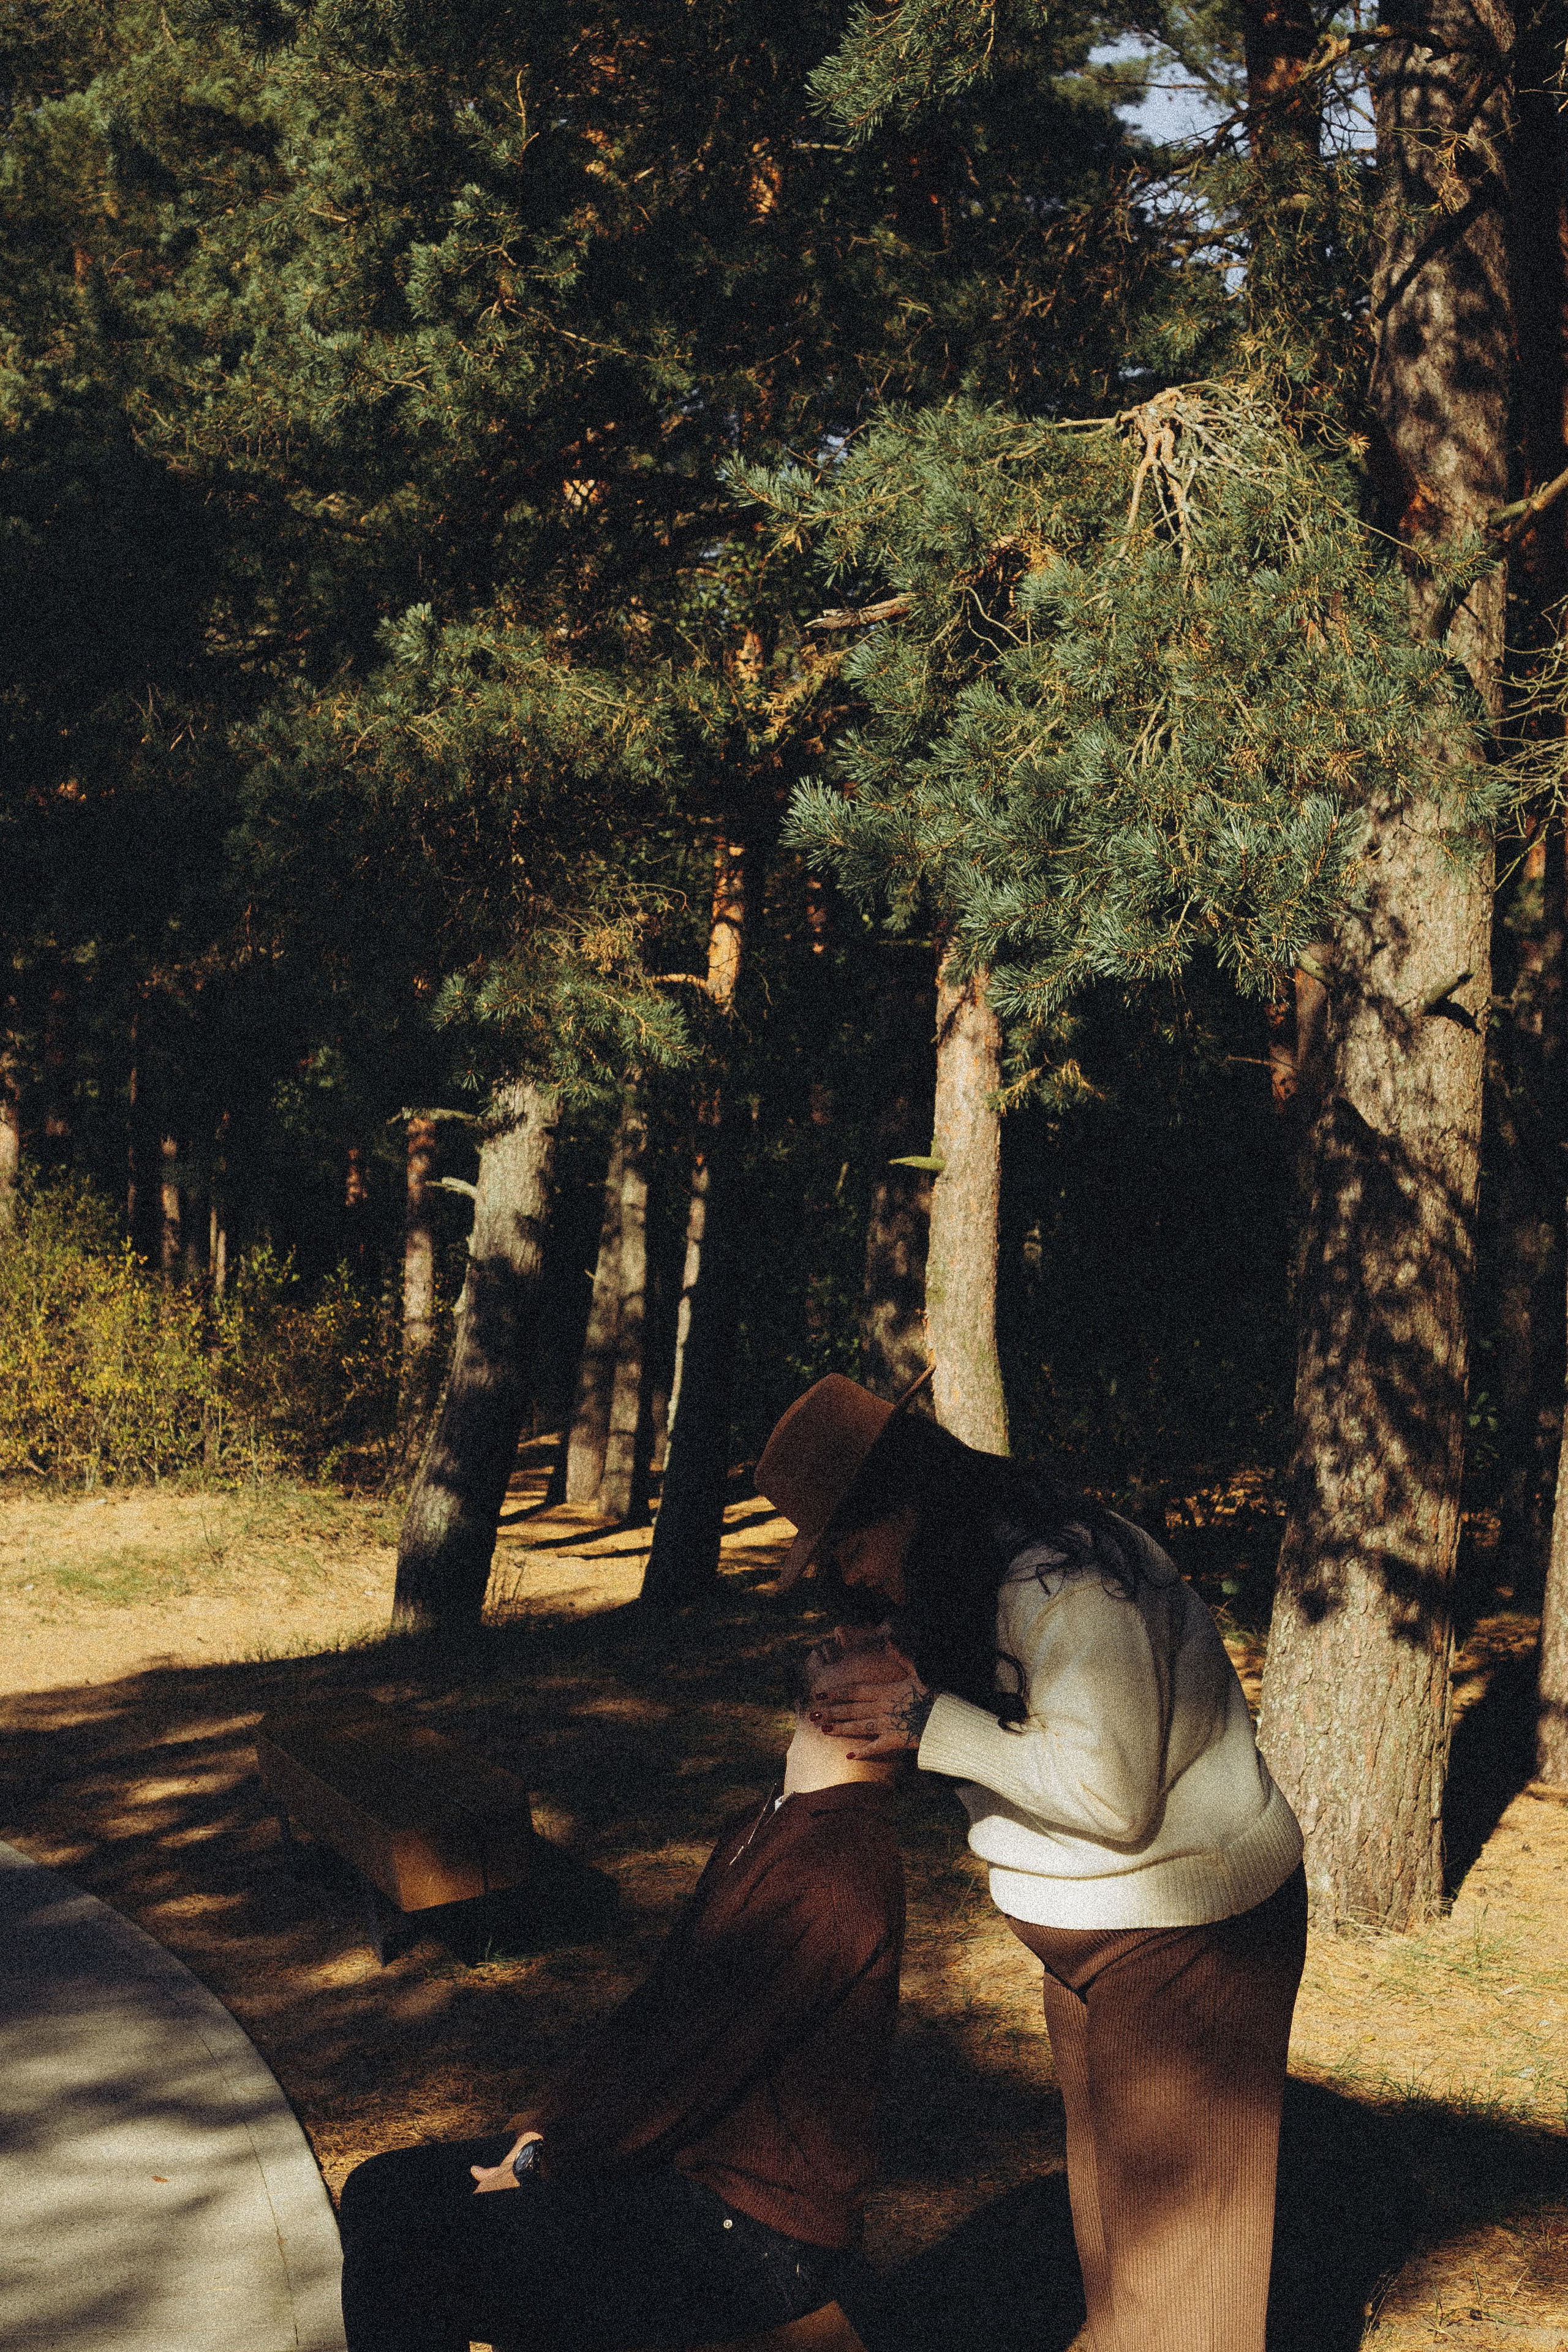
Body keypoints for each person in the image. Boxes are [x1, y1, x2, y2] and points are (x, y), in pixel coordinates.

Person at [755, 1371, 1306, 2352]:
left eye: (852, 1546)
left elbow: (1111, 1795)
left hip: (1190, 1942)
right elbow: (1024, 1749)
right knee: (1119, 2264)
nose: (851, 1576)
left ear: (911, 1507)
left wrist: (930, 1722)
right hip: (1093, 1944)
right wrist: (911, 1679)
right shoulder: (969, 1583)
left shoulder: (1067, 1585)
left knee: (1188, 2298)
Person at [336, 1646, 905, 2352]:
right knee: (384, 2188)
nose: (839, 1637)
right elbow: (653, 2019)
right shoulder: (770, 1823)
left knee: (405, 2264)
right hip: (678, 2168)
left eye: (871, 1647)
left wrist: (544, 2169)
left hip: (751, 2228)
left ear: (886, 1719)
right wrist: (543, 2129)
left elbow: (692, 2068)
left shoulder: (834, 1866)